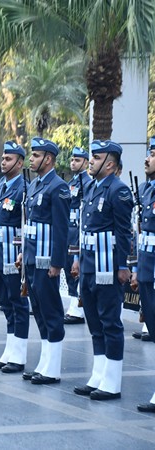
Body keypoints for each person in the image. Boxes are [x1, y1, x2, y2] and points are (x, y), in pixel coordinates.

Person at [71, 140, 132, 400]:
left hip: (107, 267)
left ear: (109, 163)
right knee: (94, 324)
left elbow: (124, 232)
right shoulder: (92, 188)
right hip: (88, 266)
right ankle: (98, 374)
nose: (90, 161)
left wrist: (122, 267)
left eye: (95, 158)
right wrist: (77, 261)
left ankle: (112, 381)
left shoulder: (118, 191)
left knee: (110, 323)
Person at [19, 138, 70, 385]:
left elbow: (61, 229)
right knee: (38, 311)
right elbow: (30, 226)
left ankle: (53, 367)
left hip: (46, 261)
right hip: (32, 258)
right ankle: (44, 363)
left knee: (51, 311)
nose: (32, 159)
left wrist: (57, 263)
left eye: (36, 155)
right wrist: (24, 254)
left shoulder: (58, 187)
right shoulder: (35, 185)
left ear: (48, 159)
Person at [0, 141, 29, 373]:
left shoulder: (22, 188)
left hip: (14, 255)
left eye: (9, 159)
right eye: (2, 158)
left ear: (20, 163)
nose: (3, 162)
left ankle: (19, 355)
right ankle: (10, 349)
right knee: (5, 304)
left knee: (17, 303)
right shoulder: (0, 187)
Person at [133, 137, 155, 411]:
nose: (148, 158)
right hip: (149, 272)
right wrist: (138, 269)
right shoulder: (148, 191)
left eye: (153, 154)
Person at [63, 147, 91, 325]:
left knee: (76, 271)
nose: (73, 162)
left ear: (86, 163)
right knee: (68, 270)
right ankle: (73, 304)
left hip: (79, 230)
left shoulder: (87, 183)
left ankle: (78, 309)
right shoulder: (71, 183)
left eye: (78, 160)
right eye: (72, 160)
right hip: (69, 230)